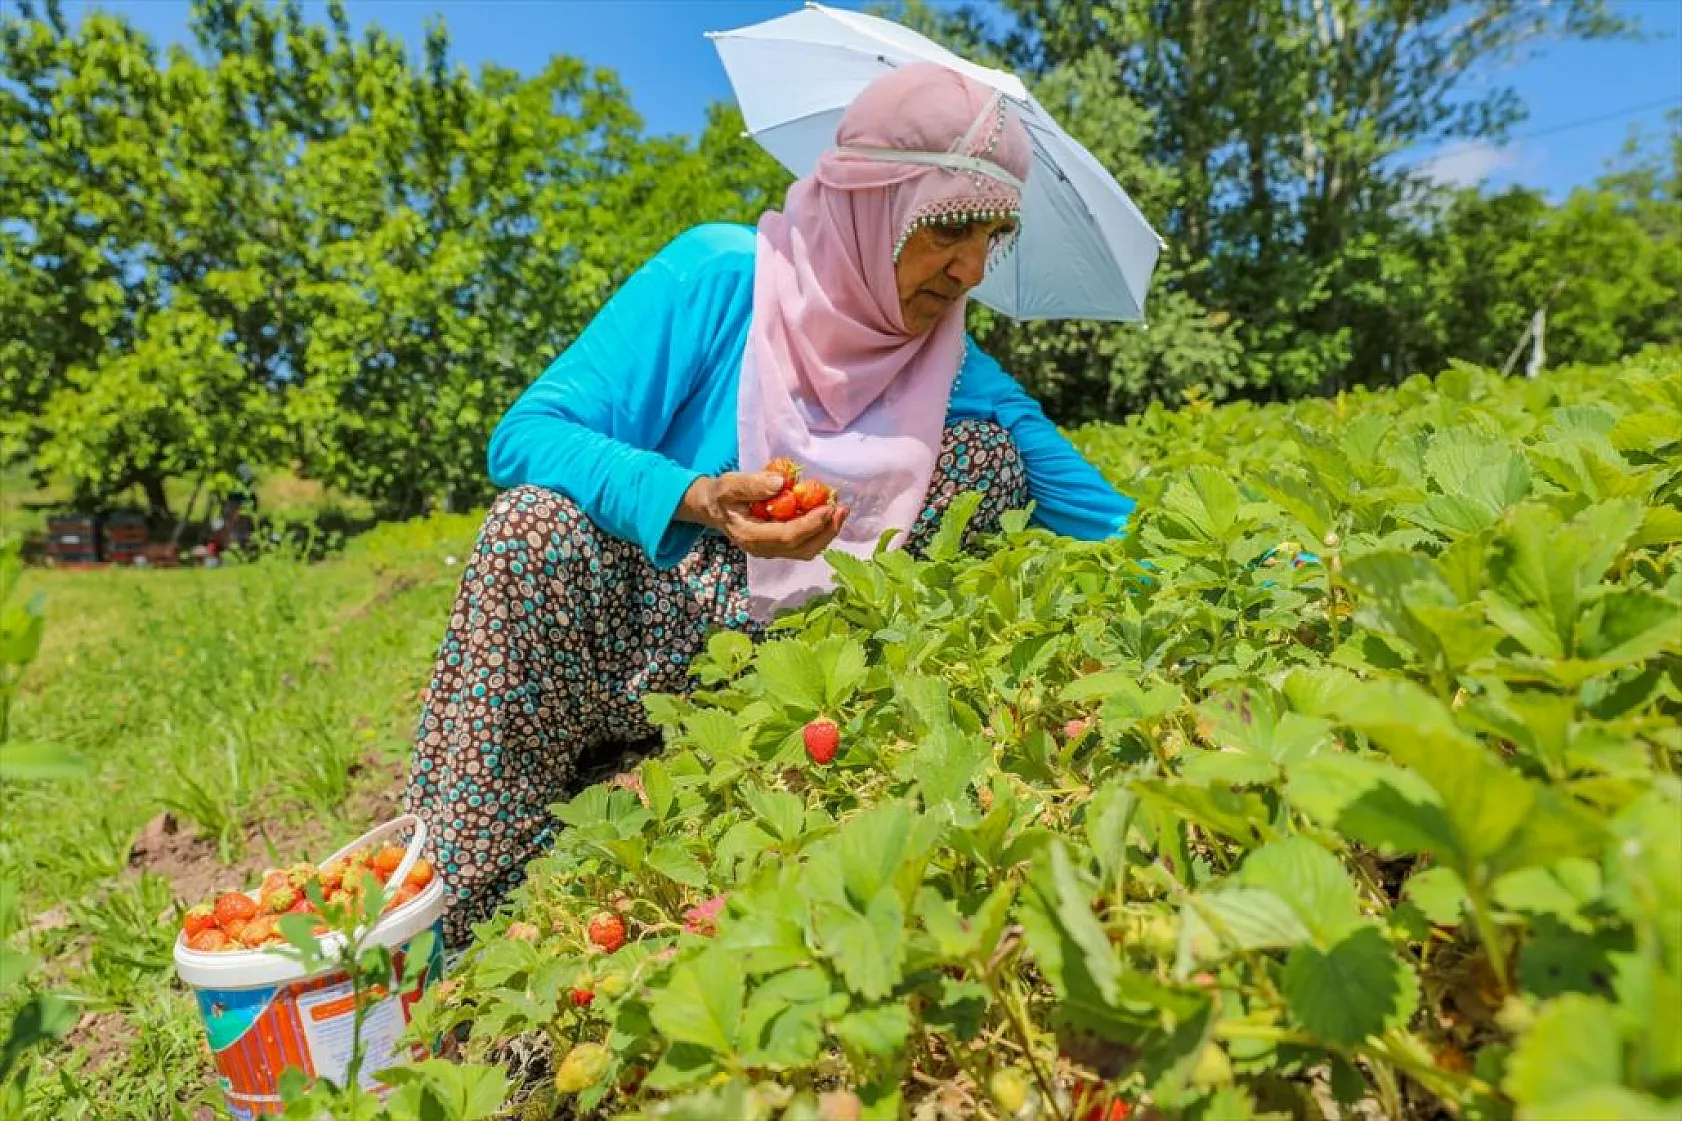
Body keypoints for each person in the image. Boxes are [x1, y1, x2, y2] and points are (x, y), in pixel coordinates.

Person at [405, 62, 1139, 946]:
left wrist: (1271, 562)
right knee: (533, 528)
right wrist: (696, 494)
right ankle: (474, 901)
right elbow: (527, 433)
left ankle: (764, 779)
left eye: (996, 236)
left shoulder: (949, 360)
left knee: (990, 459)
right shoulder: (720, 279)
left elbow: (1095, 512)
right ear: (876, 204)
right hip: (636, 638)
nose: (971, 267)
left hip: (781, 690)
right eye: (950, 225)